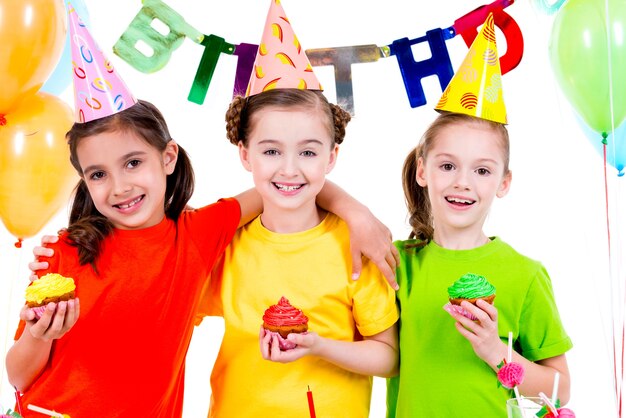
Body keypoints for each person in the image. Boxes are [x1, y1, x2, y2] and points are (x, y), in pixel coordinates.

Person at [6, 99, 396, 418]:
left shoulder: (198, 236)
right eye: (97, 174)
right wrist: (42, 335)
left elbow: (281, 185)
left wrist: (355, 212)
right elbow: (19, 377)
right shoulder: (64, 253)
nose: (120, 187)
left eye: (132, 162)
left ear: (168, 157)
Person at [199, 88, 398, 418]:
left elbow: (389, 357)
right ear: (245, 155)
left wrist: (318, 347)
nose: (289, 169)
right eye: (271, 151)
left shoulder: (356, 246)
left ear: (331, 157)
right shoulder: (226, 245)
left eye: (307, 153)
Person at [386, 111, 573, 417]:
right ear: (422, 171)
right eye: (447, 166)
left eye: (482, 171)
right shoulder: (397, 264)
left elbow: (559, 391)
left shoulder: (526, 275)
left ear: (504, 182)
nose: (462, 182)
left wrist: (495, 352)